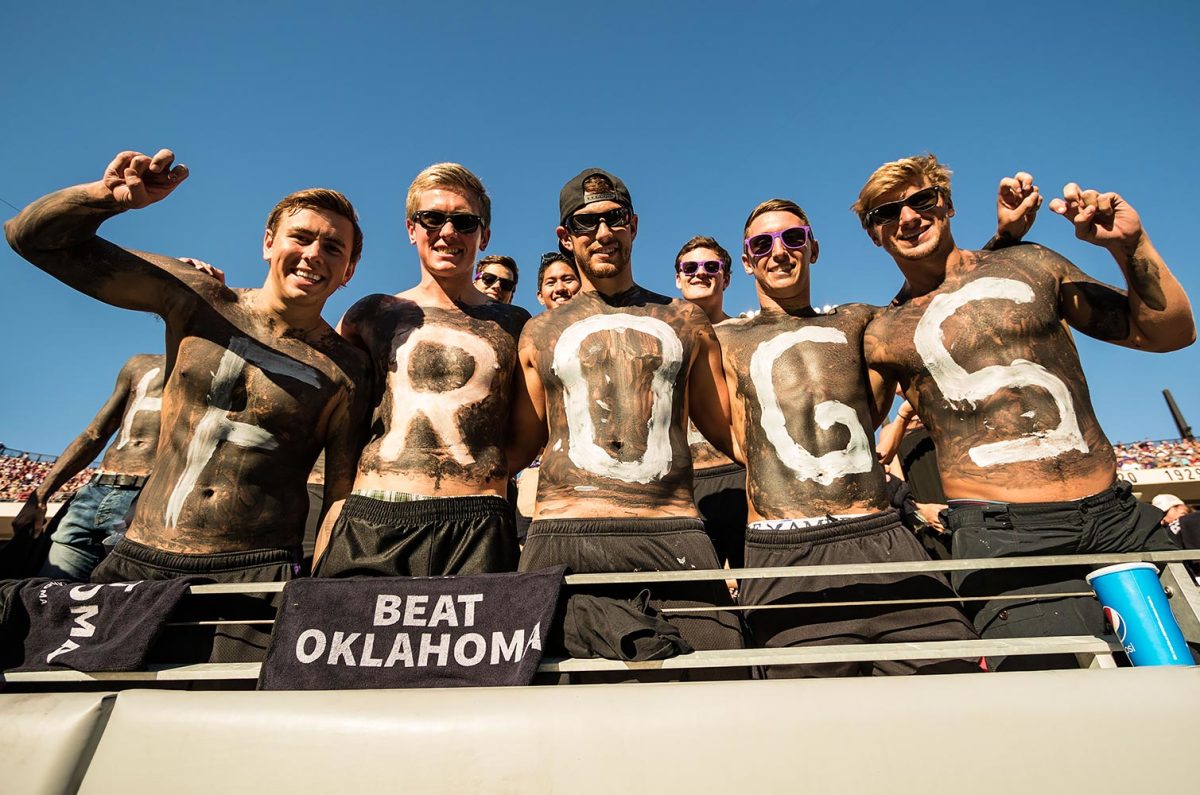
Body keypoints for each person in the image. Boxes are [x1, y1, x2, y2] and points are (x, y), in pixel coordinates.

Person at [6, 148, 370, 659]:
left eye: (334, 248)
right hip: (140, 553)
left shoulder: (345, 370)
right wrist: (104, 200)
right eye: (301, 237)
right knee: (74, 703)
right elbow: (30, 238)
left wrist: (316, 584)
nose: (314, 255)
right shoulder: (197, 300)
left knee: (217, 723)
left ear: (349, 269)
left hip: (254, 573)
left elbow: (338, 492)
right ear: (269, 243)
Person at [857, 155, 1195, 664]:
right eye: (887, 213)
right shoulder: (883, 334)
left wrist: (1129, 245)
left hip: (1118, 515)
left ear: (946, 204)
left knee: (1184, 669)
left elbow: (1168, 332)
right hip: (1006, 538)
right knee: (1060, 703)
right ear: (874, 234)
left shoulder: (1030, 264)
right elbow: (852, 445)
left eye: (921, 200)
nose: (907, 218)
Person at [718, 198, 979, 677]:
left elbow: (931, 297)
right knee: (815, 731)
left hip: (879, 536)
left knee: (953, 692)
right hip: (783, 551)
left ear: (813, 247)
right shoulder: (720, 339)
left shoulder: (859, 321)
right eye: (763, 244)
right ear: (749, 258)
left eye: (793, 238)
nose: (779, 252)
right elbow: (731, 438)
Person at [510, 168, 745, 668]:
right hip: (565, 533)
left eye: (614, 218)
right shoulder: (540, 331)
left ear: (633, 224)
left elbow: (731, 434)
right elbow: (516, 449)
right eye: (585, 222)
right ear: (564, 236)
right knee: (559, 697)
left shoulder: (684, 319)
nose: (602, 233)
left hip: (669, 528)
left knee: (721, 674)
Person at [314, 163, 529, 578]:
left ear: (483, 235)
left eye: (464, 222)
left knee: (476, 644)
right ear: (412, 229)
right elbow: (340, 427)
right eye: (433, 218)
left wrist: (481, 480)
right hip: (373, 517)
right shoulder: (371, 314)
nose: (448, 232)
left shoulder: (515, 324)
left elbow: (529, 429)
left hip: (477, 525)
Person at [13, 353, 165, 580]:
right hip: (95, 493)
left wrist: (153, 495)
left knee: (127, 603)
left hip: (149, 499)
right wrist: (40, 497)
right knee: (50, 593)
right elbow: (95, 433)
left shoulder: (212, 367)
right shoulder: (140, 364)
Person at [673, 235, 747, 569]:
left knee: (757, 588)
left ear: (726, 278)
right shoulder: (664, 340)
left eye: (711, 266)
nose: (699, 273)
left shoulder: (746, 333)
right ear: (678, 278)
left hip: (741, 472)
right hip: (686, 483)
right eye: (690, 267)